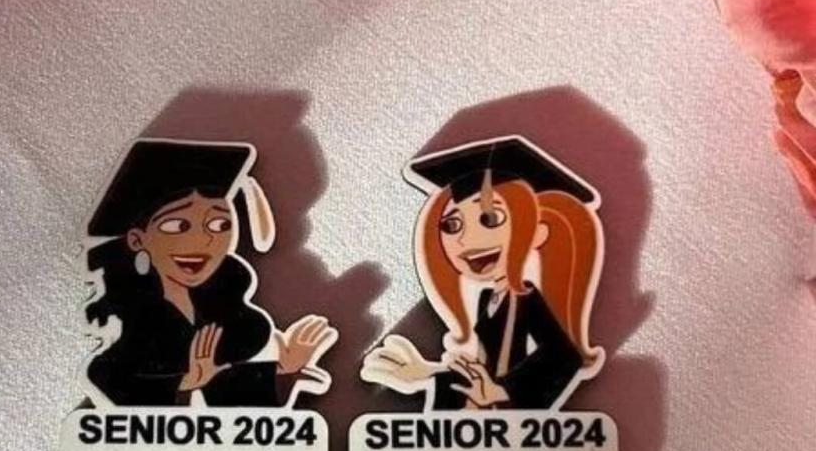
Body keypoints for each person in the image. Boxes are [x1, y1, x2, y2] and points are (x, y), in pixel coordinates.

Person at [85, 139, 336, 407]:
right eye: (177, 226)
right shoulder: (128, 311)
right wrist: (184, 383)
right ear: (138, 239)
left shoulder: (221, 304)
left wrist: (282, 370)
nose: (203, 241)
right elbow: (109, 379)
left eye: (219, 225)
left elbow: (228, 396)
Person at [361, 136, 604, 410]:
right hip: (487, 421)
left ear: (538, 233)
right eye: (452, 226)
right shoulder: (486, 299)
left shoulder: (527, 298)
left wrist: (501, 391)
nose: (467, 240)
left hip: (515, 422)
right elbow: (480, 377)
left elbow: (563, 358)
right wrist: (427, 374)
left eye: (490, 219)